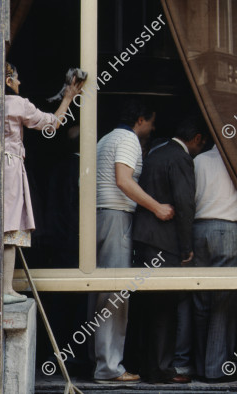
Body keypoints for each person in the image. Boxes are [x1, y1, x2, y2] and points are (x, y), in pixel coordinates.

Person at [0, 62, 83, 304]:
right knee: (9, 227)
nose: (20, 83)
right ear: (7, 81)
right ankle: (4, 288)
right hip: (7, 168)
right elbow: (51, 124)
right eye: (17, 79)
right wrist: (68, 98)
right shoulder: (16, 103)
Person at [89, 98, 174, 384]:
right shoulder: (128, 139)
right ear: (140, 119)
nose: (152, 128)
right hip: (116, 216)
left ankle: (98, 360)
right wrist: (157, 207)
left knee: (98, 292)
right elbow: (124, 181)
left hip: (97, 217)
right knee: (116, 294)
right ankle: (109, 368)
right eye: (151, 122)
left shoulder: (105, 139)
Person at [131, 117, 207, 383]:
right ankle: (162, 370)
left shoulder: (157, 152)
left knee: (148, 307)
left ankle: (146, 366)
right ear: (197, 139)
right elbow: (185, 204)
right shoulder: (181, 158)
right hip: (165, 242)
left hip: (144, 240)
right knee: (164, 308)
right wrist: (187, 247)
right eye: (202, 143)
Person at [192, 142, 237, 383]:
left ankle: (201, 367)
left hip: (199, 228)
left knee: (201, 301)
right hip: (227, 227)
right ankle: (217, 369)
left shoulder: (199, 160)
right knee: (223, 301)